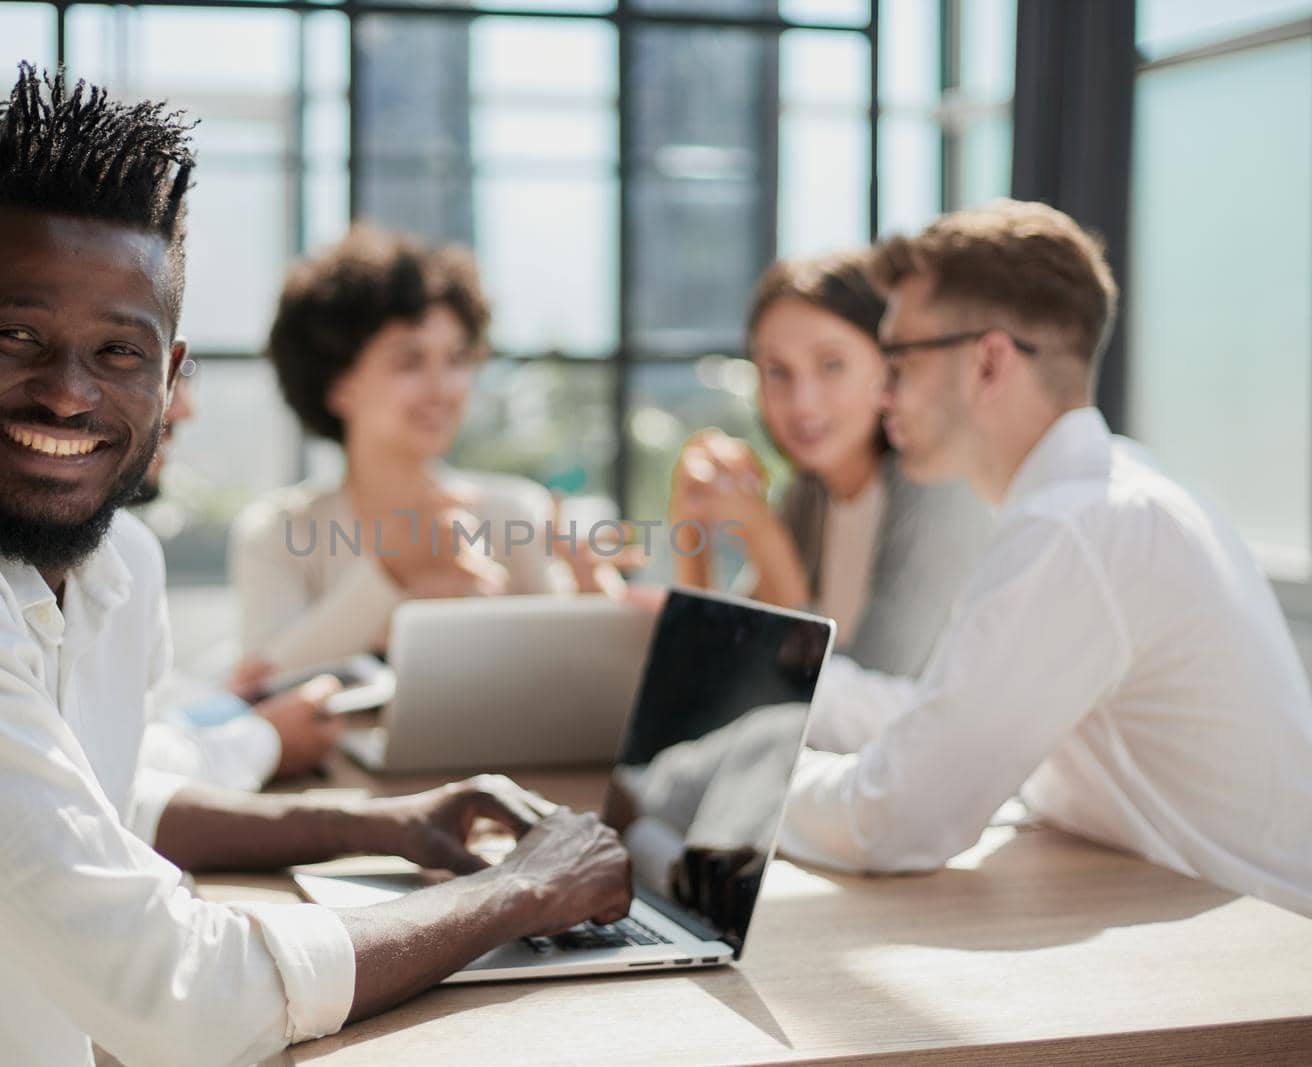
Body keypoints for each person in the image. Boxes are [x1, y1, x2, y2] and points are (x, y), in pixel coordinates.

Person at [0, 66, 632, 1066]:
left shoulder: (116, 560)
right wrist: (515, 891)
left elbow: (103, 807)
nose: (67, 395)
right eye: (18, 336)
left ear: (170, 375)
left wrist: (381, 823)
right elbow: (178, 995)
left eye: (119, 351)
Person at [776, 200, 1312, 915]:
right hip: (1197, 920)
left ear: (989, 362)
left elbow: (894, 818)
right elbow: (953, 717)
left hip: (1266, 968)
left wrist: (740, 781)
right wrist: (785, 680)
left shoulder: (1077, 528)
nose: (881, 391)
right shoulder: (1117, 492)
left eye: (899, 358)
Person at [230, 225, 612, 675]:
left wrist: (599, 608)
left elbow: (576, 683)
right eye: (409, 362)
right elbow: (257, 689)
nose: (443, 389)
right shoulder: (277, 533)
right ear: (337, 385)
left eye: (456, 360)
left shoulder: (514, 512)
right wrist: (392, 574)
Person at [669, 249, 991, 676]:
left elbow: (867, 690)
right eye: (777, 371)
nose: (802, 404)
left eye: (832, 365)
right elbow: (718, 669)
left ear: (889, 367)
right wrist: (692, 528)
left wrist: (766, 540)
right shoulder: (810, 494)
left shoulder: (939, 492)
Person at [132, 347, 343, 786]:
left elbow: (146, 709)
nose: (188, 408)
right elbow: (115, 770)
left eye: (184, 368)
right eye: (409, 362)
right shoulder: (277, 527)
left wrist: (230, 706)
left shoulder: (121, 552)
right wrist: (266, 740)